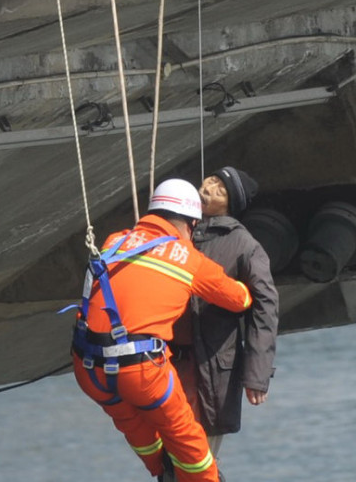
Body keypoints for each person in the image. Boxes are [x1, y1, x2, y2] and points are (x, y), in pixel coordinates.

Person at [70, 178, 253, 482]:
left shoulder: (114, 240)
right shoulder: (190, 259)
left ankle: (160, 471)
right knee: (186, 438)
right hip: (140, 371)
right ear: (190, 223)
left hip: (88, 366)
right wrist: (248, 291)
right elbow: (237, 300)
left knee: (134, 425)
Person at [166, 167, 279, 480]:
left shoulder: (243, 244)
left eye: (222, 187)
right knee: (168, 460)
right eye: (213, 178)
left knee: (197, 460)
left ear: (231, 203)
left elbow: (265, 307)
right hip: (166, 364)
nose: (212, 184)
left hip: (213, 368)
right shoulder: (177, 230)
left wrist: (257, 375)